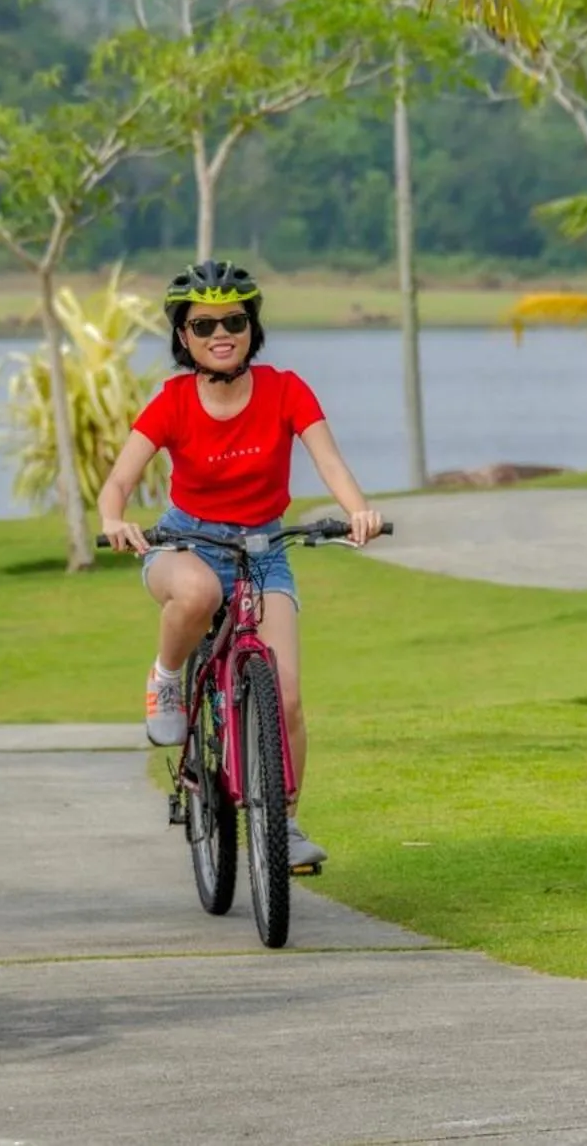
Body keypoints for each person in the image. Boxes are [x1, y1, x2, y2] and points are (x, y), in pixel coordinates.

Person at [97, 260, 383, 872]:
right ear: (183, 337)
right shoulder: (173, 400)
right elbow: (119, 479)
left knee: (288, 697)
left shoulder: (286, 389)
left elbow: (329, 462)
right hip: (184, 546)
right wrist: (114, 519)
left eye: (234, 320)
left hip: (264, 552)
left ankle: (286, 822)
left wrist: (358, 512)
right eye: (203, 325)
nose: (220, 333)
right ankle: (168, 678)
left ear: (253, 327)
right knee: (197, 592)